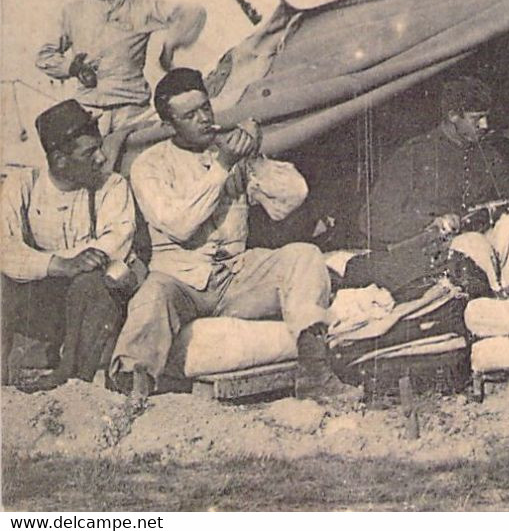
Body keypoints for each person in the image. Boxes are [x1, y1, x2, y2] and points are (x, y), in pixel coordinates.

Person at [111, 69, 338, 401]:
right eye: (189, 115)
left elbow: (290, 199)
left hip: (236, 278)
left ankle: (315, 374)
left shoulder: (229, 152)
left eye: (206, 108)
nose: (204, 119)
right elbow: (179, 224)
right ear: (169, 125)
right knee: (152, 294)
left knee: (304, 256)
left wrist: (255, 157)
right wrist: (223, 166)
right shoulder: (150, 165)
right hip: (181, 282)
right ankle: (132, 389)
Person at [348, 76, 509, 294]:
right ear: (453, 116)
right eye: (477, 118)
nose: (485, 125)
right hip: (429, 254)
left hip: (477, 244)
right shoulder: (415, 154)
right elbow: (371, 219)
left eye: (486, 117)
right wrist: (431, 222)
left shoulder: (488, 153)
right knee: (471, 243)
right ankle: (491, 309)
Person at [2, 101, 140, 386]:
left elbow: (115, 243)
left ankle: (75, 382)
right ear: (60, 159)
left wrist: (62, 264)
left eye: (100, 147)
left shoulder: (111, 186)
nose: (102, 159)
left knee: (94, 282)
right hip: (43, 300)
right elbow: (5, 247)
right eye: (90, 152)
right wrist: (58, 265)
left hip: (92, 305)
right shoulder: (23, 184)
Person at [36, 0, 207, 134]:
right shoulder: (74, 12)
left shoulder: (141, 8)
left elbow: (193, 12)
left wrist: (170, 46)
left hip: (132, 110)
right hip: (89, 109)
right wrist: (72, 68)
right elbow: (44, 56)